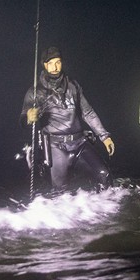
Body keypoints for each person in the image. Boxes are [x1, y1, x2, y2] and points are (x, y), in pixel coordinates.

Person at [21, 46, 115, 193]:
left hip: (80, 143)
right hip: (56, 147)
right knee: (60, 193)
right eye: (50, 63)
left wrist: (104, 136)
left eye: (58, 62)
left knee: (105, 176)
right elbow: (23, 120)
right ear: (44, 65)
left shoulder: (73, 85)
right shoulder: (35, 92)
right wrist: (29, 117)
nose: (55, 67)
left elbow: (88, 112)